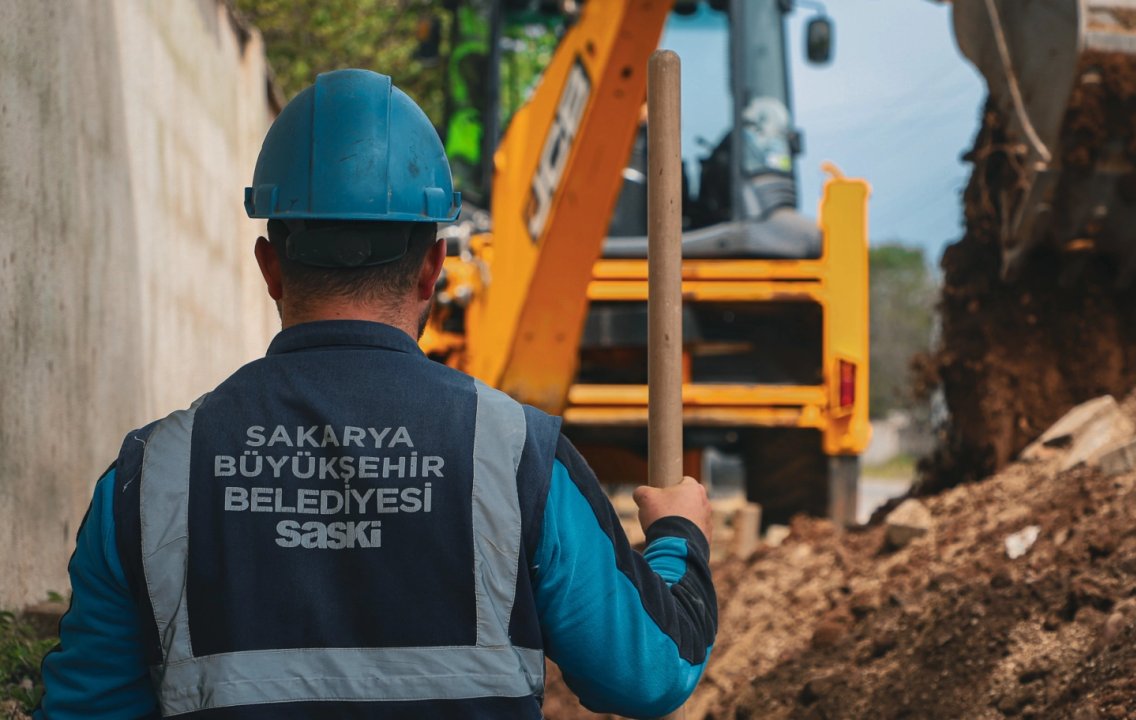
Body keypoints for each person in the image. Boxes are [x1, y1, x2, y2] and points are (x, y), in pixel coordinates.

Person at [36, 68, 716, 719]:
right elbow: (650, 673)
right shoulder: (518, 457)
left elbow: (87, 707)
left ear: (270, 268)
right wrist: (676, 534)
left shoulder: (148, 478)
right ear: (432, 269)